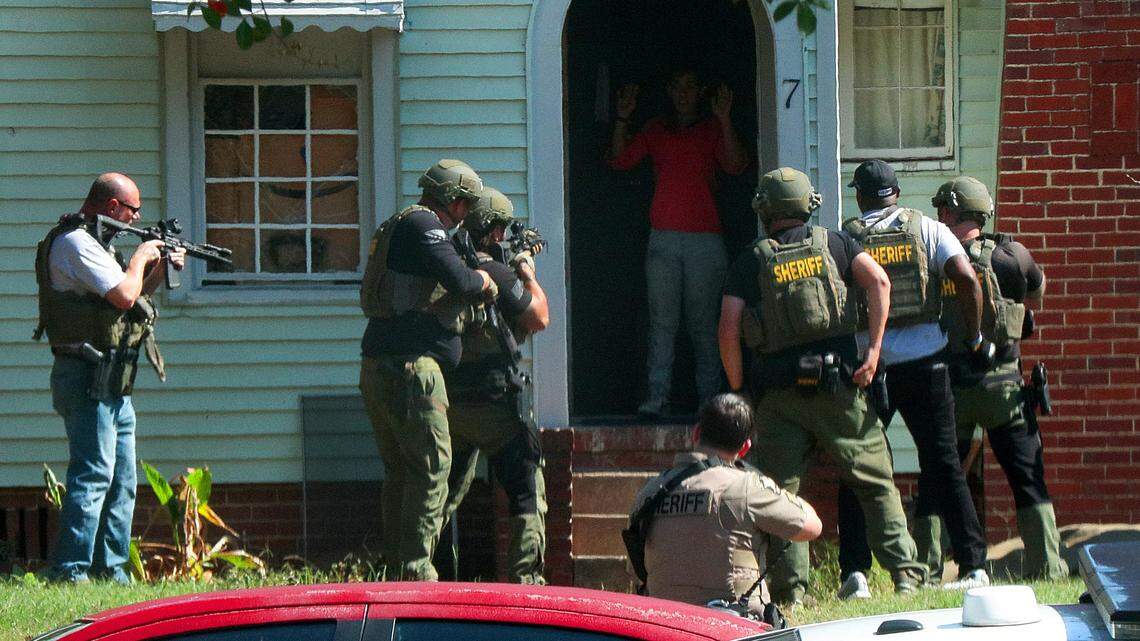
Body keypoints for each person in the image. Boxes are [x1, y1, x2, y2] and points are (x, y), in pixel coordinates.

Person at [719, 167, 926, 604]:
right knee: (875, 482)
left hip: (778, 396)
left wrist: (739, 389)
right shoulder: (837, 243)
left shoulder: (751, 259)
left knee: (780, 494)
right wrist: (873, 352)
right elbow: (880, 282)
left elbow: (728, 327)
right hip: (841, 390)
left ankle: (791, 593)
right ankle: (906, 576)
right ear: (807, 204)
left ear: (765, 209)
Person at [836, 159, 994, 595]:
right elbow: (967, 279)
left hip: (869, 367)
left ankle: (855, 573)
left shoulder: (846, 237)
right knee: (944, 463)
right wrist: (975, 338)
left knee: (858, 466)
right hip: (928, 362)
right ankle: (973, 566)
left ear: (859, 196)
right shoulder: (930, 229)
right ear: (897, 194)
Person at [34, 173, 186, 583]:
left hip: (114, 376)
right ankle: (70, 570)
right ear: (112, 206)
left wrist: (158, 266)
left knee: (123, 480)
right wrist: (141, 255)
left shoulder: (99, 244)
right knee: (93, 474)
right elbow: (123, 294)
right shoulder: (75, 243)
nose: (136, 218)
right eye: (133, 210)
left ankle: (112, 569)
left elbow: (133, 299)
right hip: (85, 372)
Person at [913, 176, 1066, 581]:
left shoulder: (932, 257)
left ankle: (925, 570)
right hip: (1003, 388)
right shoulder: (1012, 255)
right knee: (1026, 477)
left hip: (949, 388)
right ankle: (1047, 567)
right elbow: (1036, 296)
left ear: (948, 212)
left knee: (937, 476)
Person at [358, 159, 497, 581]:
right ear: (453, 200)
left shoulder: (401, 225)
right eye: (465, 204)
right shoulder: (423, 225)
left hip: (383, 366)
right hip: (411, 370)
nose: (466, 215)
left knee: (403, 472)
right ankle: (416, 572)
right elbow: (462, 281)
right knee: (433, 468)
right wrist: (486, 279)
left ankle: (397, 571)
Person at [609, 67, 749, 417]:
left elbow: (736, 165)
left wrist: (725, 119)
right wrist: (622, 119)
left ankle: (710, 402)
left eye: (690, 86)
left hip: (706, 240)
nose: (683, 93)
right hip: (664, 239)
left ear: (700, 91)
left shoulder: (711, 128)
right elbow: (620, 160)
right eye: (677, 86)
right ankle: (657, 398)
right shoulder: (655, 129)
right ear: (669, 91)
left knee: (704, 325)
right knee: (662, 323)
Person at [441, 186, 551, 584]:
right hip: (495, 402)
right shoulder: (498, 273)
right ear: (493, 230)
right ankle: (526, 583)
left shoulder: (448, 267)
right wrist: (527, 272)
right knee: (527, 488)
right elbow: (538, 318)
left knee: (442, 497)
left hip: (450, 403)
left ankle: (429, 583)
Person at [627, 393, 822, 612]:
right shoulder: (747, 487)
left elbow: (636, 571)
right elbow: (812, 527)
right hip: (736, 622)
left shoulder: (650, 492)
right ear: (745, 447)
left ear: (696, 433)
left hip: (664, 622)